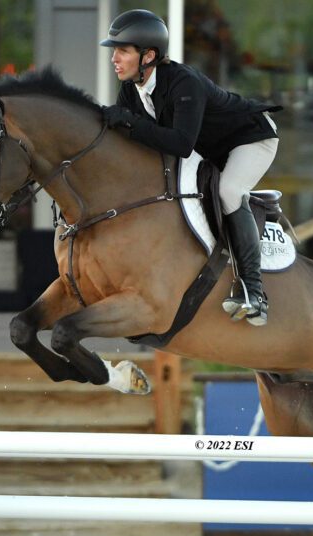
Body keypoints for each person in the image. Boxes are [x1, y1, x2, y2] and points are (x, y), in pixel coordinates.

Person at [99, 9, 279, 326]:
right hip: (211, 148)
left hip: (251, 137)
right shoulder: (131, 88)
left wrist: (128, 122)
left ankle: (253, 292)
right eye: (115, 51)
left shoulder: (184, 82)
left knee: (228, 190)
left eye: (123, 51)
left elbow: (181, 144)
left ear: (148, 56)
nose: (115, 59)